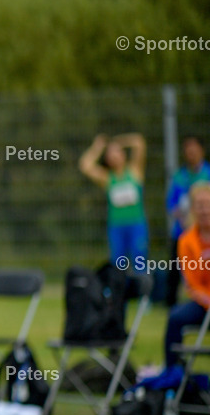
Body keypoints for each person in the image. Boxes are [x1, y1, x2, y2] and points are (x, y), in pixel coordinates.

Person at [79, 133, 148, 270]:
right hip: (116, 226)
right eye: (110, 153)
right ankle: (118, 289)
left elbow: (139, 142)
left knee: (139, 260)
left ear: (123, 154)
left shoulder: (134, 172)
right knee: (117, 262)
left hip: (136, 224)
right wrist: (97, 147)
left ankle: (142, 289)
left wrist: (118, 142)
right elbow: (85, 165)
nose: (114, 155)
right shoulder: (107, 179)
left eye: (117, 152)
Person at [163, 182, 210, 371]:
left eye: (208, 204)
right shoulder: (186, 241)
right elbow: (191, 283)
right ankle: (172, 374)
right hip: (202, 302)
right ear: (192, 209)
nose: (205, 210)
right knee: (175, 317)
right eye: (199, 205)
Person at [166, 135, 210, 307]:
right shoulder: (179, 176)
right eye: (188, 151)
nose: (191, 154)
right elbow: (171, 204)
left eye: (194, 150)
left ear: (201, 151)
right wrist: (184, 218)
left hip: (205, 233)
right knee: (175, 269)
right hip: (182, 230)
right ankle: (171, 303)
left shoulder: (207, 173)